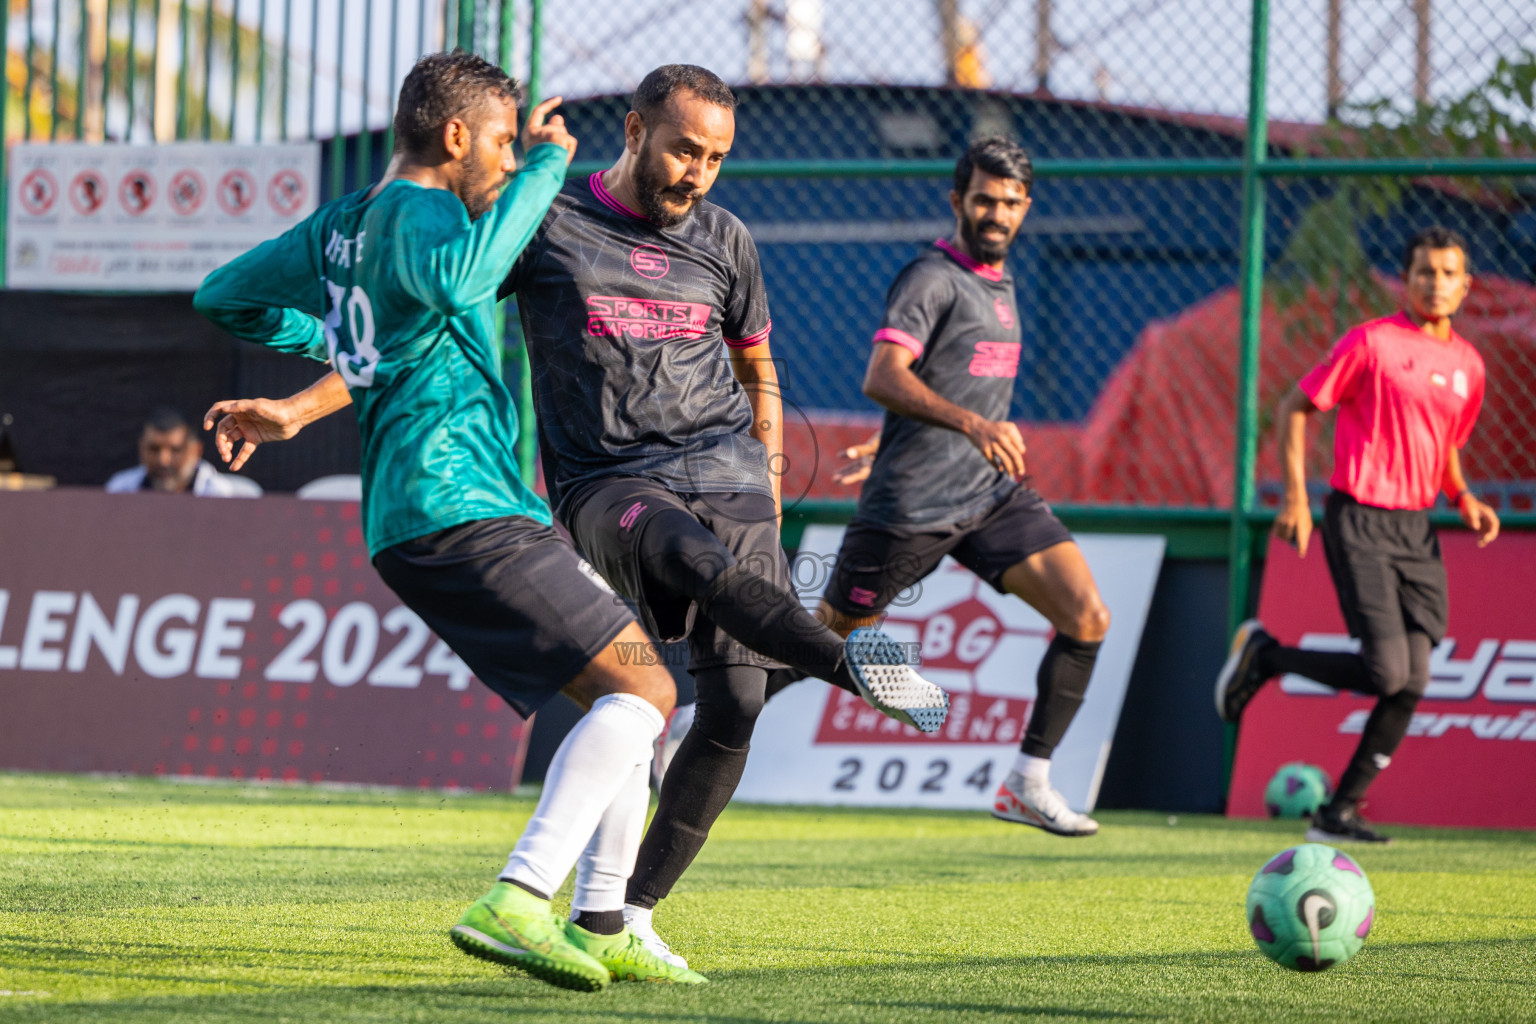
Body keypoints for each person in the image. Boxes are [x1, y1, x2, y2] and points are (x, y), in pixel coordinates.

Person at [193, 51, 702, 990]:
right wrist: (552, 165)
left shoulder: (346, 224)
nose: (512, 162)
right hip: (457, 501)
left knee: (630, 698)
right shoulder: (424, 210)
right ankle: (520, 897)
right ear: (456, 136)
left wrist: (325, 365)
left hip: (421, 514)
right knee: (649, 693)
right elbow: (466, 279)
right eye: (505, 142)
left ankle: (599, 920)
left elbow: (223, 297)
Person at [495, 63, 950, 969]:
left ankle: (620, 919)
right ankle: (851, 666)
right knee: (694, 563)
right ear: (634, 132)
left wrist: (771, 484)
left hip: (730, 471)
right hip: (609, 482)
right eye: (683, 150)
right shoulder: (547, 222)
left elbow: (759, 373)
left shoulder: (726, 239)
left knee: (736, 701)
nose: (697, 172)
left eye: (715, 158)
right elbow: (448, 305)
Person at [764, 138, 1113, 841]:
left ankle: (1028, 782)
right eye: (984, 199)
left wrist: (928, 429)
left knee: (1087, 616)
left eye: (1011, 203)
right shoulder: (931, 276)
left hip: (990, 496)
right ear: (958, 201)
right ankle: (685, 721)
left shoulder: (1002, 282)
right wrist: (966, 423)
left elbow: (947, 379)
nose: (997, 213)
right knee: (827, 645)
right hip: (910, 508)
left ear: (1026, 208)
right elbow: (883, 375)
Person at [1216, 225, 1499, 845]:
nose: (1437, 284)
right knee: (1383, 670)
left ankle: (1337, 811)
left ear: (1465, 285)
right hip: (1360, 517)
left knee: (1415, 679)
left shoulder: (1468, 365)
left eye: (1449, 273)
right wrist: (1296, 497)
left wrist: (1463, 496)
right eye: (1425, 271)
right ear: (1406, 278)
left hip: (1417, 529)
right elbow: (1296, 406)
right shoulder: (1370, 342)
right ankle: (1266, 656)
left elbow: (1447, 446)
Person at [105, 407, 262, 497]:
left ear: (196, 451)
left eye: (175, 450)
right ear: (141, 447)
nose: (163, 460)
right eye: (154, 449)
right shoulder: (119, 490)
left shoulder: (237, 496)